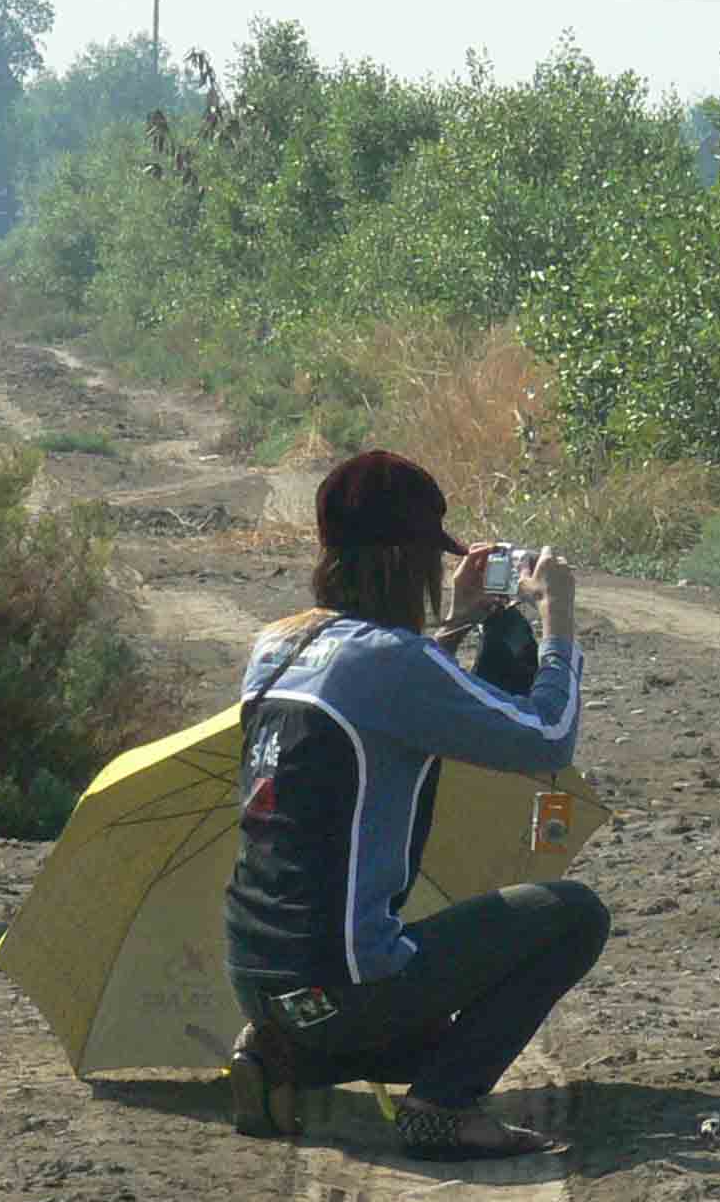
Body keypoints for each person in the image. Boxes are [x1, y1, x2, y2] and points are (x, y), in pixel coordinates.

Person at [222, 449, 609, 1158]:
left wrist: (456, 624)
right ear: (409, 563)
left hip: (259, 982)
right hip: (346, 987)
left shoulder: (273, 645)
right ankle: (441, 1109)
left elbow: (378, 697)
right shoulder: (394, 661)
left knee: (426, 1034)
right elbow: (548, 738)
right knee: (574, 915)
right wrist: (560, 620)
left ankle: (288, 1057)